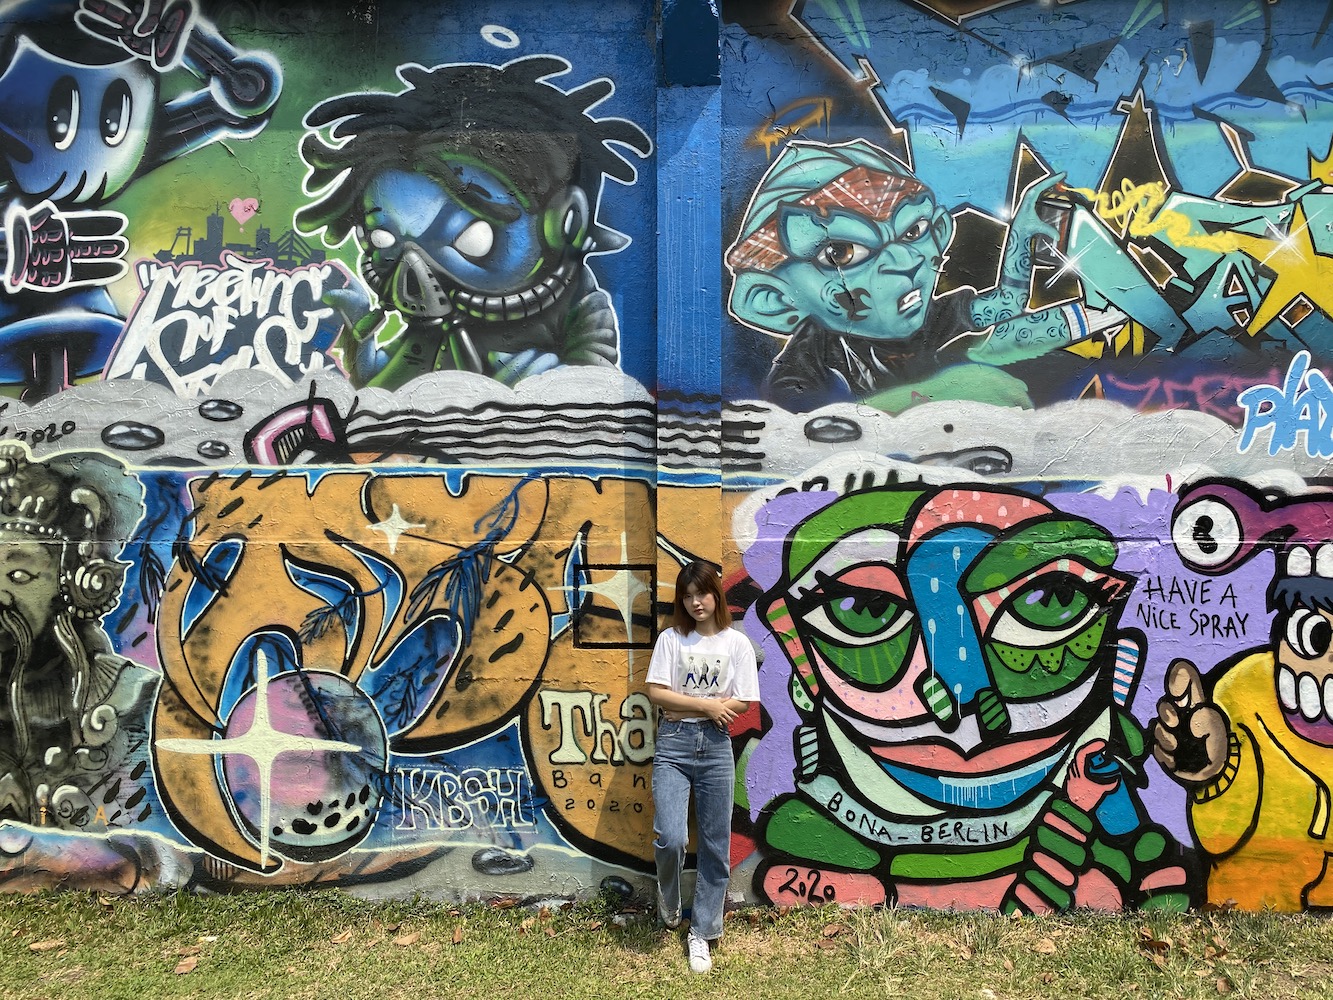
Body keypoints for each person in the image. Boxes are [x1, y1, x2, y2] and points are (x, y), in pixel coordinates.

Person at [646, 561, 760, 974]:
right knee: (671, 837)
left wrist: (695, 708)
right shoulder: (672, 640)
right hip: (673, 745)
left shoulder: (736, 644)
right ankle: (670, 897)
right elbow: (656, 692)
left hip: (715, 746)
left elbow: (744, 700)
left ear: (716, 595)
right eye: (688, 596)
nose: (696, 602)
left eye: (703, 593)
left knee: (715, 844)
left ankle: (703, 931)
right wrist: (709, 705)